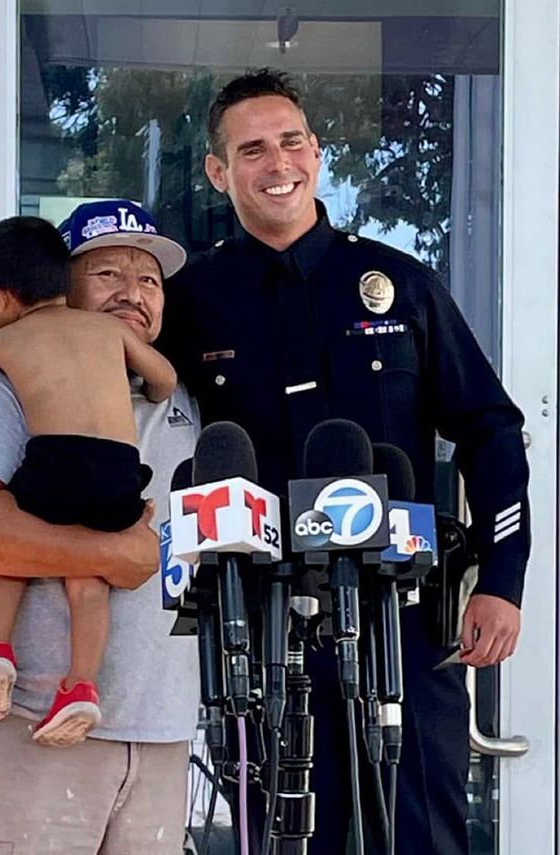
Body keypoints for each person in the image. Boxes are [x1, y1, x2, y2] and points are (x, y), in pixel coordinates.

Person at [160, 69, 530, 855]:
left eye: (291, 140)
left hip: (405, 621)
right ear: (220, 172)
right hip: (258, 628)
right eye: (251, 148)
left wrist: (502, 581)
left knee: (421, 834)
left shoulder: (400, 284)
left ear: (318, 153)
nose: (277, 161)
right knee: (292, 837)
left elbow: (492, 429)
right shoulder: (192, 298)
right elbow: (107, 384)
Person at [0, 200, 200, 855]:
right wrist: (111, 552)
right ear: (58, 286)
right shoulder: (0, 384)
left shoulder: (189, 400)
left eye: (149, 279)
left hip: (157, 730)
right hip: (22, 730)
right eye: (108, 275)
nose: (133, 292)